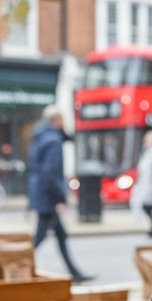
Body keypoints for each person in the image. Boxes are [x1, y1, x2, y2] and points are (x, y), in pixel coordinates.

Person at [27, 106, 89, 282]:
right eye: (63, 120)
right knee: (39, 237)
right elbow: (51, 172)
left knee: (60, 235)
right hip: (48, 196)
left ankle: (75, 273)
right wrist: (61, 197)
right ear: (57, 121)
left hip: (42, 193)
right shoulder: (53, 141)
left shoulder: (40, 137)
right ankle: (14, 263)